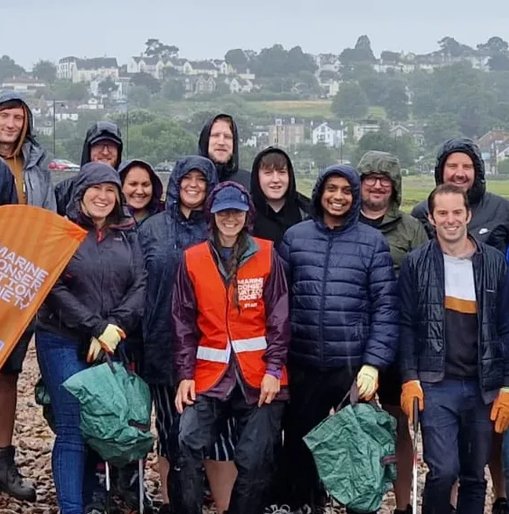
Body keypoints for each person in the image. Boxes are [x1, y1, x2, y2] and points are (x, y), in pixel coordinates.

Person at [278, 164, 399, 513]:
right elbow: (280, 302)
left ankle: (357, 504)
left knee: (355, 446)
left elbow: (385, 308)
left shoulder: (372, 242)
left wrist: (374, 364)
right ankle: (303, 503)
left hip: (350, 367)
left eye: (346, 191)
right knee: (301, 443)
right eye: (332, 189)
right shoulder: (295, 238)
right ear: (319, 192)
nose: (338, 197)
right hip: (303, 362)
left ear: (355, 196)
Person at [171, 181, 290, 514]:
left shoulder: (267, 254)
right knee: (185, 442)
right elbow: (182, 321)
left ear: (246, 215)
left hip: (260, 376)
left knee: (256, 457)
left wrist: (274, 370)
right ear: (212, 215)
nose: (229, 218)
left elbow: (280, 318)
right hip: (208, 374)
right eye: (223, 212)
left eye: (236, 212)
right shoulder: (192, 259)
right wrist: (185, 374)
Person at [35, 161, 146, 514]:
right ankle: (72, 507)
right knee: (71, 425)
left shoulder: (128, 235)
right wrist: (94, 327)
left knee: (99, 421)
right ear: (80, 193)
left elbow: (140, 285)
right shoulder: (62, 232)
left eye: (110, 189)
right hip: (61, 337)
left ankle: (92, 496)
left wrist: (114, 326)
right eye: (95, 189)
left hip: (112, 339)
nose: (102, 196)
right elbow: (52, 287)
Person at [412, 138, 509, 514]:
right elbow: (408, 319)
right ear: (432, 216)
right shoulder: (422, 252)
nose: (459, 172)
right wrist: (409, 374)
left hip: (484, 374)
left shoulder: (499, 224)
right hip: (438, 377)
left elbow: (503, 322)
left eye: (467, 166)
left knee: (474, 472)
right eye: (452, 166)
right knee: (443, 469)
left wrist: (504, 381)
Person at [137, 155, 222, 513]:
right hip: (158, 342)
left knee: (207, 430)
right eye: (186, 178)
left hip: (208, 345)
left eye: (201, 180)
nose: (193, 185)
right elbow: (137, 286)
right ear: (174, 182)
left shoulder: (217, 229)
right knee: (169, 430)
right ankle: (173, 502)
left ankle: (209, 497)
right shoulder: (151, 229)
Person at [357, 150, 428, 514]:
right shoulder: (345, 221)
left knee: (400, 424)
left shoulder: (411, 229)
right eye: (370, 177)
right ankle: (359, 500)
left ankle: (402, 505)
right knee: (357, 424)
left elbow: (423, 284)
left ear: (395, 186)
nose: (377, 184)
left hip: (399, 339)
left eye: (385, 179)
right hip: (352, 340)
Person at [0, 91, 56, 502]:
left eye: (17, 117)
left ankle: (3, 458)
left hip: (20, 277)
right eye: (4, 115)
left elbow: (48, 218)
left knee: (8, 374)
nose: (10, 124)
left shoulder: (36, 165)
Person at [55, 121, 123, 215]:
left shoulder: (128, 187)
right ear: (88, 149)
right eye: (99, 145)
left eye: (111, 146)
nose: (105, 152)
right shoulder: (64, 190)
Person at [250, 146, 310, 245]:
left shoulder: (307, 211)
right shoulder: (245, 213)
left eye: (282, 172)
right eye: (268, 173)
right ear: (257, 177)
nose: (276, 180)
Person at [198, 113, 251, 189]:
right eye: (215, 135)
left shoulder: (248, 183)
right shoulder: (191, 182)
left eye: (227, 137)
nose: (221, 142)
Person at [119, 159, 164, 224]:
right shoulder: (106, 219)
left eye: (145, 185)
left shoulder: (166, 219)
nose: (140, 191)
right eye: (133, 184)